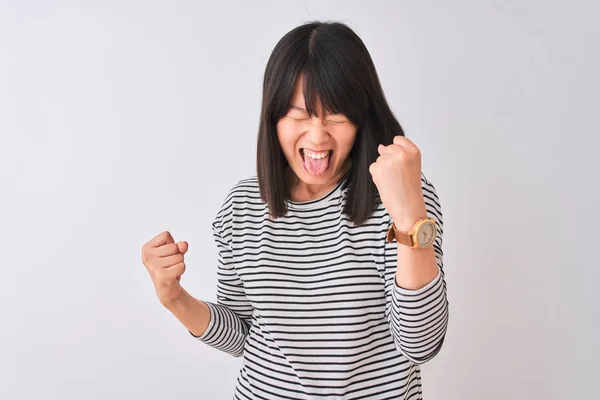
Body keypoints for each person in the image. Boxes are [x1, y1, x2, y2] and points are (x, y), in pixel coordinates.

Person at [141, 21, 448, 400]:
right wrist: (174, 297)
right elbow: (245, 335)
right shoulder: (242, 206)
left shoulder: (402, 199)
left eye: (336, 115)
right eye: (299, 115)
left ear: (361, 117)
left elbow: (421, 345)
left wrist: (408, 219)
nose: (317, 136)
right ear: (273, 118)